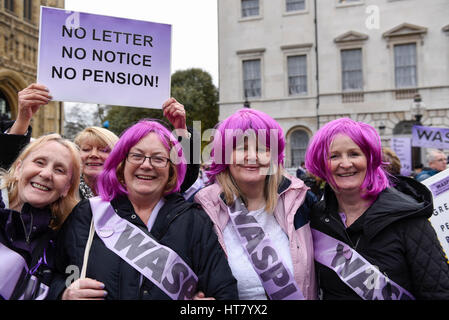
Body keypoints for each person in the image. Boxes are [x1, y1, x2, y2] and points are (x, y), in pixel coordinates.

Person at [48, 119, 238, 300]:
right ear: (121, 164)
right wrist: (63, 293)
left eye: (158, 158)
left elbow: (223, 291)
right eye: (136, 156)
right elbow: (52, 274)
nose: (146, 165)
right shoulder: (87, 213)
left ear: (172, 168)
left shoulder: (194, 220)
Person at [305, 117, 449, 300]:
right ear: (321, 164)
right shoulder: (316, 218)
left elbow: (438, 293)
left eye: (354, 154)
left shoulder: (408, 218)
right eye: (334, 156)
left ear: (370, 159)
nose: (346, 163)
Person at [194, 108, 317, 300]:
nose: (252, 156)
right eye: (241, 148)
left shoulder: (302, 202)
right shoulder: (203, 210)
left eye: (262, 149)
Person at [0, 83, 81, 300]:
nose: (46, 174)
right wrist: (22, 119)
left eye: (60, 170)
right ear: (18, 169)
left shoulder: (61, 243)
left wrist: (182, 138)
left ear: (67, 188)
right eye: (39, 162)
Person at [74, 127, 119, 199]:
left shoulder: (127, 193)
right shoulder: (65, 191)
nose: (93, 154)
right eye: (86, 149)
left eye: (103, 150)